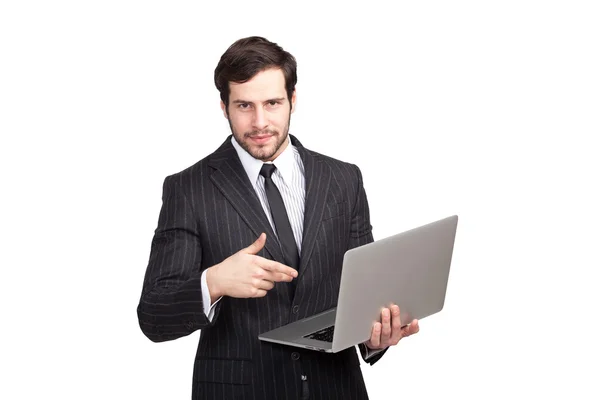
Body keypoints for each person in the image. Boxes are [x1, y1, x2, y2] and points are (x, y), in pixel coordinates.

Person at [137, 36, 420, 400]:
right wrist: (215, 282)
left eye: (272, 103)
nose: (260, 122)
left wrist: (377, 335)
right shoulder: (189, 189)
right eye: (244, 105)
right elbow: (154, 316)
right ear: (224, 107)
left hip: (334, 388)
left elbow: (362, 295)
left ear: (293, 100)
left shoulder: (343, 179)